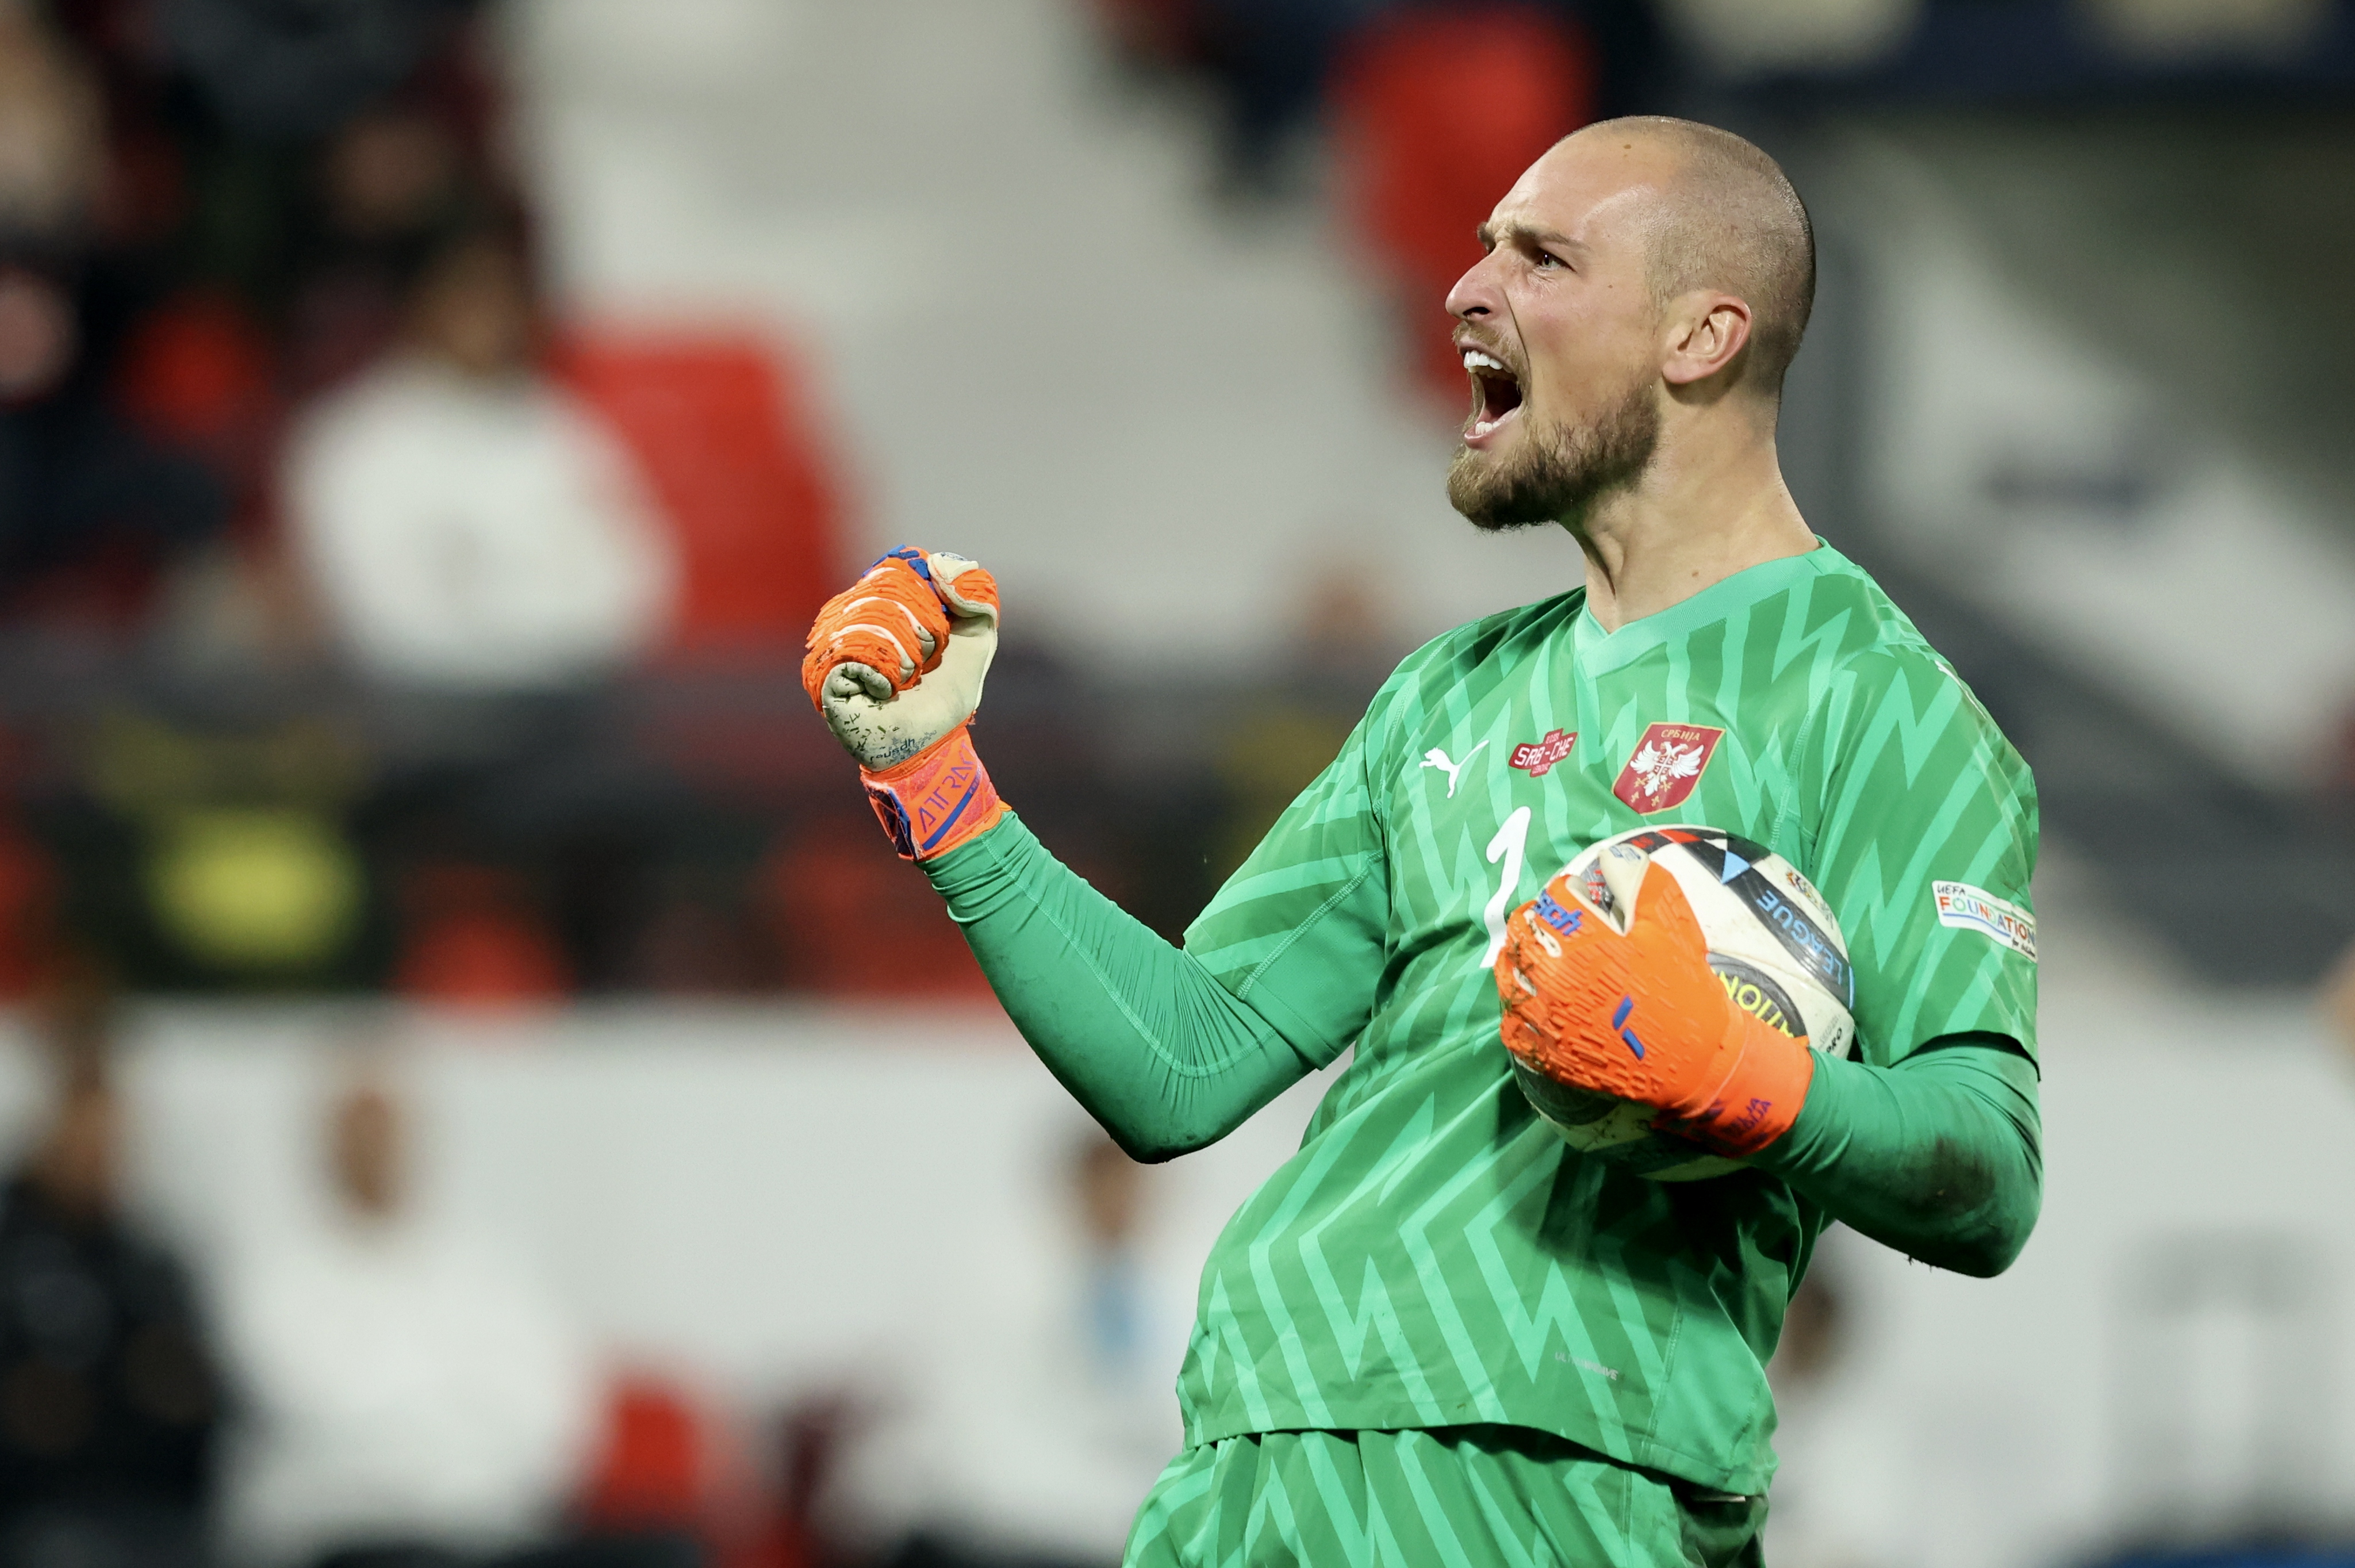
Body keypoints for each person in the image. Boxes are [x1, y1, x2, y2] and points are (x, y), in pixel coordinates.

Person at [799, 117, 2042, 1566]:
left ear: (1700, 335)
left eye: (1542, 256)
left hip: (1553, 1481)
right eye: (1479, 245)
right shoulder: (1447, 693)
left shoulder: (1884, 707)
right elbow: (1181, 1061)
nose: (1467, 289)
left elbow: (1991, 1169)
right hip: (1249, 1457)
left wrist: (1746, 1078)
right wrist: (937, 781)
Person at [215, 1066, 599, 1568]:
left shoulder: (486, 1266)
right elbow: (323, 1409)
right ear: (327, 1146)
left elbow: (552, 1415)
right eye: (361, 1132)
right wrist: (458, 1407)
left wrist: (427, 1435)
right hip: (338, 1536)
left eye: (388, 1131)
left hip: (491, 1531)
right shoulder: (272, 1273)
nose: (377, 1149)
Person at [0, 998, 221, 1568]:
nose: (100, 1144)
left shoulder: (149, 1258)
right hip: (40, 1516)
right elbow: (32, 1419)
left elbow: (192, 1405)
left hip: (153, 1511)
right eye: (82, 1118)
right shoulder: (14, 1249)